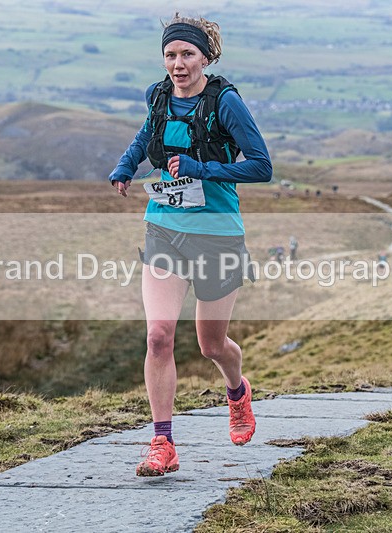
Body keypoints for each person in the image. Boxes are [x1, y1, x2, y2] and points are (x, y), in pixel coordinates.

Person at [108, 13, 272, 477]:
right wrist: (125, 165)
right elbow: (148, 134)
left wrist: (204, 170)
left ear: (205, 56)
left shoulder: (226, 103)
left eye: (187, 54)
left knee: (211, 344)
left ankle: (237, 392)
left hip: (218, 233)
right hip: (164, 228)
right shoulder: (158, 95)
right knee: (158, 336)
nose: (178, 64)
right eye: (170, 55)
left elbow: (261, 166)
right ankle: (163, 442)